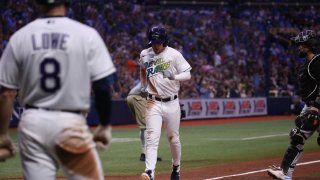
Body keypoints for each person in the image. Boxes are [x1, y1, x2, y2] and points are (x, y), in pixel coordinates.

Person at [0, 0, 116, 179]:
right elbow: (102, 86)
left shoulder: (20, 36)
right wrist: (104, 125)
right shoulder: (86, 34)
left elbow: (6, 93)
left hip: (32, 123)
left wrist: (2, 134)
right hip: (69, 122)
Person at [139, 26, 192, 180]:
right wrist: (143, 85)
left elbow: (188, 74)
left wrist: (174, 76)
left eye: (158, 43)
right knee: (152, 137)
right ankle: (150, 172)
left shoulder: (174, 54)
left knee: (173, 139)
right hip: (153, 102)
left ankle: (176, 168)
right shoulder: (144, 54)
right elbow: (142, 69)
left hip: (172, 103)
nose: (155, 46)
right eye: (153, 43)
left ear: (164, 41)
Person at [267, 30, 320, 180]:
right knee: (297, 136)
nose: (298, 47)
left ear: (310, 45)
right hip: (310, 106)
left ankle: (285, 173)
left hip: (317, 106)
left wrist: (316, 107)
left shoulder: (317, 61)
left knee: (298, 136)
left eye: (301, 44)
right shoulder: (306, 64)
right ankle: (285, 172)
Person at [126, 81, 162, 162]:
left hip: (131, 97)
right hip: (138, 98)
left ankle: (144, 153)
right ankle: (147, 154)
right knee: (148, 127)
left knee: (144, 127)